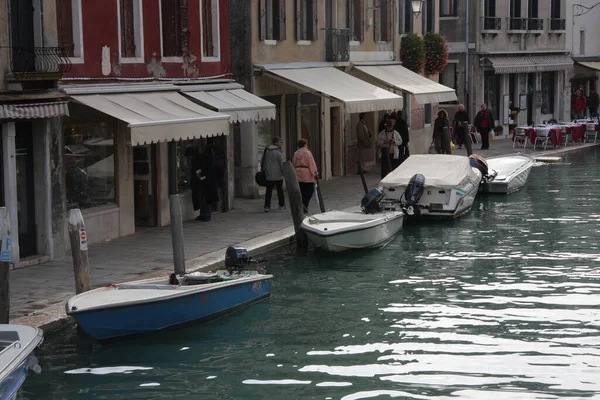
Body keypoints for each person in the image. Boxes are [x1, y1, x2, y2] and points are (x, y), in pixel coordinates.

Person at [191, 138, 218, 222]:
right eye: (202, 140)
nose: (203, 142)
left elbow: (207, 165)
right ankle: (203, 213)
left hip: (207, 178)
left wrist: (201, 173)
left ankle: (206, 214)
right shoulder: (202, 150)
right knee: (201, 196)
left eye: (204, 140)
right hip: (202, 178)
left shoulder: (209, 151)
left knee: (206, 197)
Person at [292, 138, 319, 213]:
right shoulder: (307, 153)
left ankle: (302, 204)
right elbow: (311, 163)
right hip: (306, 173)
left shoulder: (296, 154)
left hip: (298, 172)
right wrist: (315, 173)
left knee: (301, 190)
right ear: (304, 144)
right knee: (310, 190)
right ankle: (305, 204)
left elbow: (293, 164)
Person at [262, 136, 286, 213]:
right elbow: (281, 164)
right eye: (280, 142)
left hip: (268, 174)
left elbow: (263, 160)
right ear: (276, 143)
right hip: (278, 174)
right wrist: (284, 173)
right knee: (280, 190)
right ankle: (281, 205)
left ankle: (267, 206)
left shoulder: (267, 150)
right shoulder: (279, 152)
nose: (281, 143)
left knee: (268, 191)